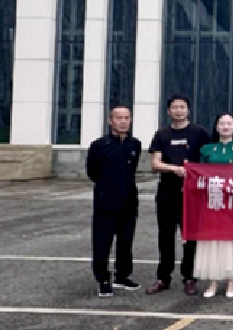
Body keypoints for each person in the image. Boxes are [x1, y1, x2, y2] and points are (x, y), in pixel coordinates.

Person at [146, 94, 211, 296]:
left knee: (190, 236)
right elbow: (155, 164)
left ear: (188, 110)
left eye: (182, 107)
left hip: (192, 194)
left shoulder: (199, 133)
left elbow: (208, 160)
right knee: (165, 236)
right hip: (167, 192)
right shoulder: (162, 134)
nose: (178, 111)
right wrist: (174, 169)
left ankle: (189, 277)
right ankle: (163, 278)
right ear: (168, 111)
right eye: (174, 107)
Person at [86, 105, 142, 297]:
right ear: (110, 121)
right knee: (102, 242)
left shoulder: (135, 144)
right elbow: (92, 172)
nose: (123, 122)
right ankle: (103, 279)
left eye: (126, 118)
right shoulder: (99, 145)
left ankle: (122, 276)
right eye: (119, 118)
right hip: (106, 202)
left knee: (125, 241)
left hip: (129, 202)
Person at [195, 114, 233, 298]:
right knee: (212, 240)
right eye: (222, 123)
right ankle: (212, 282)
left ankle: (231, 281)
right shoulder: (206, 149)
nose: (226, 127)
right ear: (216, 127)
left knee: (231, 241)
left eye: (229, 123)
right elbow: (199, 175)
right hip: (212, 202)